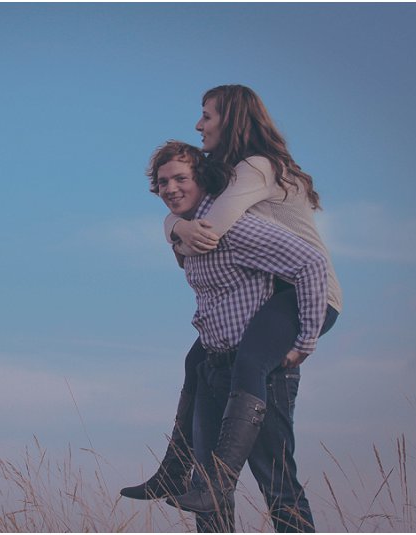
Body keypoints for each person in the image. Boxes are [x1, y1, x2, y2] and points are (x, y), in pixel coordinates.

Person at [121, 85, 342, 530]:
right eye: (162, 183)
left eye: (206, 116)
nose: (199, 124)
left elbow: (218, 232)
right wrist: (175, 226)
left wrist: (306, 341)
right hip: (237, 337)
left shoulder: (251, 176)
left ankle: (216, 480)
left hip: (308, 302)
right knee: (195, 361)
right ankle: (178, 471)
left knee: (275, 476)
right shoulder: (229, 179)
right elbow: (192, 228)